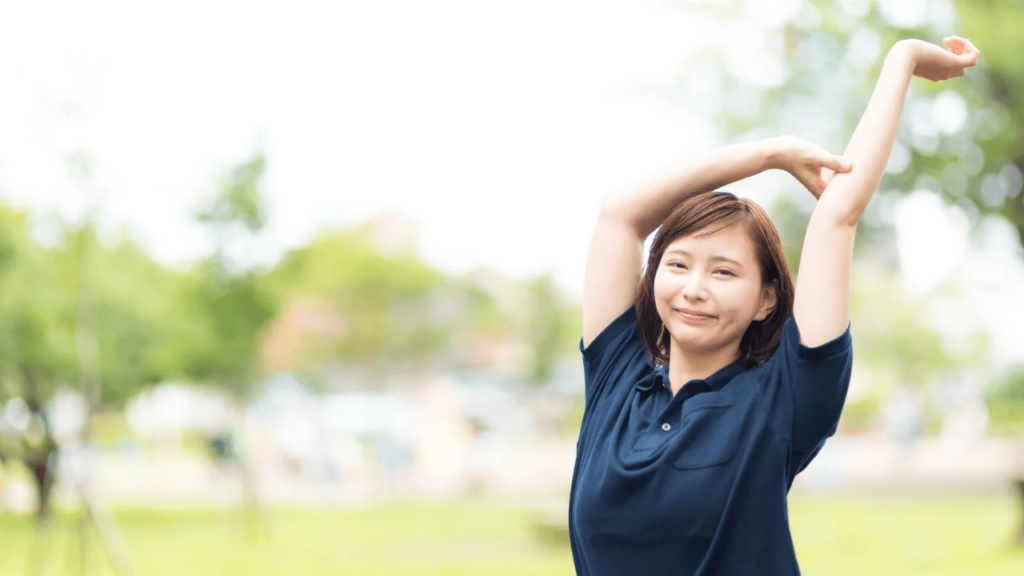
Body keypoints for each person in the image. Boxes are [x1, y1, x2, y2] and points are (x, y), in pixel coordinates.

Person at [570, 36, 979, 575]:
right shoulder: (616, 377)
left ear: (767, 298)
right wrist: (771, 153)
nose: (694, 287)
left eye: (723, 271)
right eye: (677, 264)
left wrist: (902, 59)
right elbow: (620, 212)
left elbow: (839, 212)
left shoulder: (783, 394)